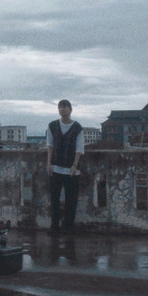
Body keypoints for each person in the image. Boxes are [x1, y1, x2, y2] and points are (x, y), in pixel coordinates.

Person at [45, 99, 84, 234]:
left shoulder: (77, 128)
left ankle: (68, 227)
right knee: (54, 199)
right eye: (60, 107)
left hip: (71, 169)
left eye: (65, 107)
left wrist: (74, 165)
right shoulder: (52, 126)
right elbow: (50, 145)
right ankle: (54, 226)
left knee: (70, 200)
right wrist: (48, 163)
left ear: (70, 109)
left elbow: (79, 149)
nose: (62, 109)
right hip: (56, 167)